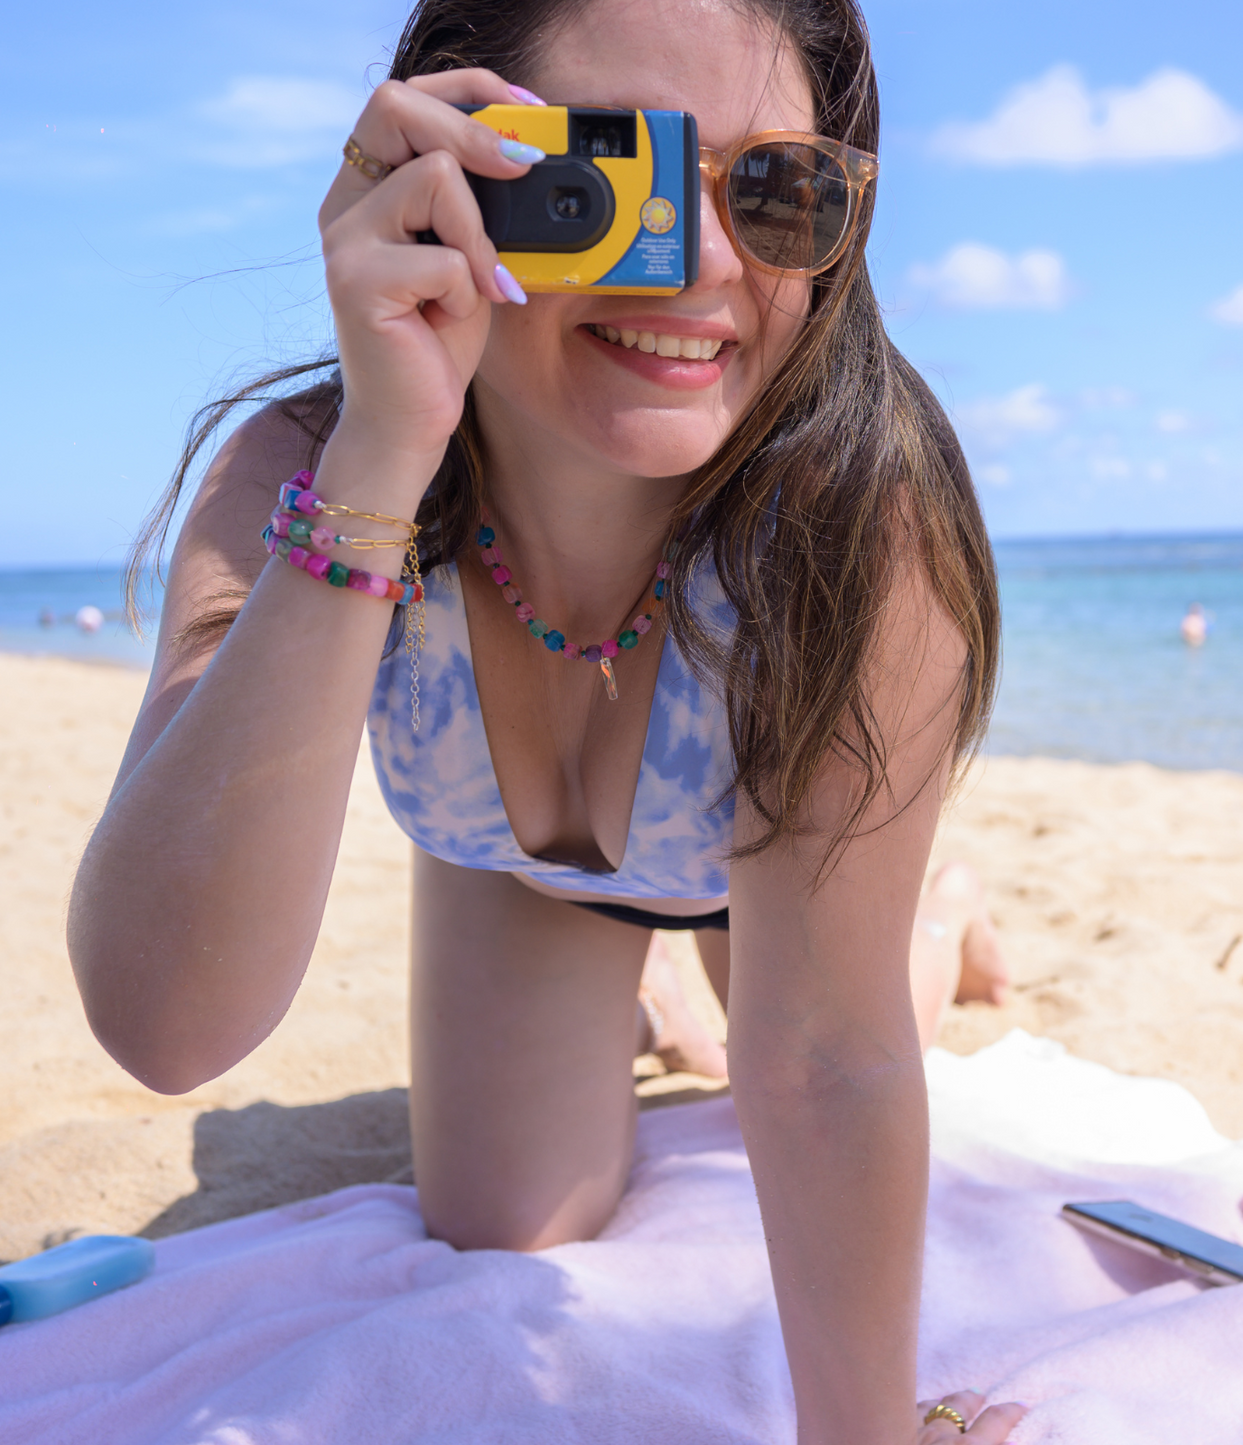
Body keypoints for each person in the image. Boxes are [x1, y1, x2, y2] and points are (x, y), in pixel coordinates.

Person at [68, 1, 1019, 1439]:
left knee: (820, 1003)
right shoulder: (310, 474)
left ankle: (931, 915)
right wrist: (387, 446)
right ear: (436, 176)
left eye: (774, 189)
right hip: (517, 866)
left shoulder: (857, 533)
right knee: (507, 1224)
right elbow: (166, 1025)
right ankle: (653, 980)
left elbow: (827, 1059)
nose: (702, 264)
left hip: (772, 866)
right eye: (603, 176)